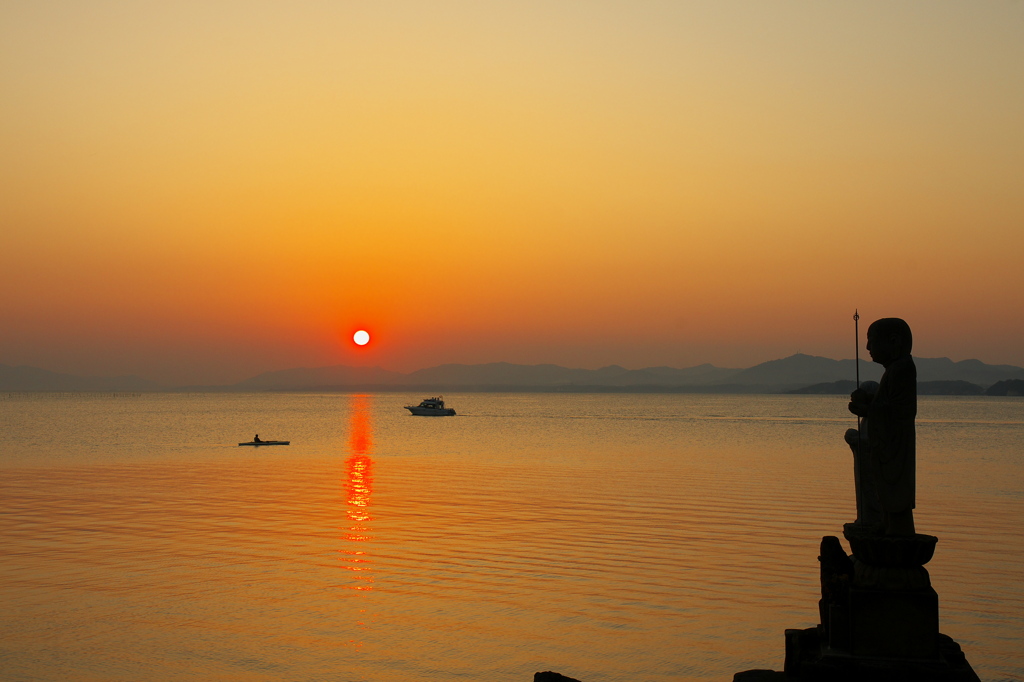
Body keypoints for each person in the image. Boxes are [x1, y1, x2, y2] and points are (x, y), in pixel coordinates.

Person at [848, 318, 916, 536]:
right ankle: (887, 522)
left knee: (895, 489)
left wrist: (868, 408)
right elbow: (885, 406)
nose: (867, 348)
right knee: (885, 489)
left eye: (871, 341)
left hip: (896, 447)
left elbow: (897, 411)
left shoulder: (902, 369)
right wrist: (868, 403)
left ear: (894, 342)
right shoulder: (893, 370)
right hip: (888, 445)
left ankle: (896, 527)